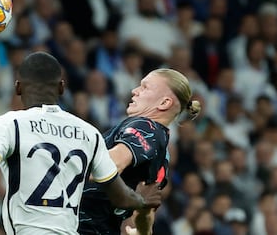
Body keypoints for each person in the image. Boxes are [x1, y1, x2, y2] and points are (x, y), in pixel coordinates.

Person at [0, 52, 162, 235]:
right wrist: (141, 199)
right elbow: (121, 197)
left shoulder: (9, 124)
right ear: (61, 87)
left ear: (18, 87)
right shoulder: (89, 133)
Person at [78, 68, 201, 235]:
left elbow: (114, 163)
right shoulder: (163, 158)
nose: (134, 91)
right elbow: (146, 213)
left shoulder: (145, 126)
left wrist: (64, 170)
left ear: (164, 103)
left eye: (145, 87)